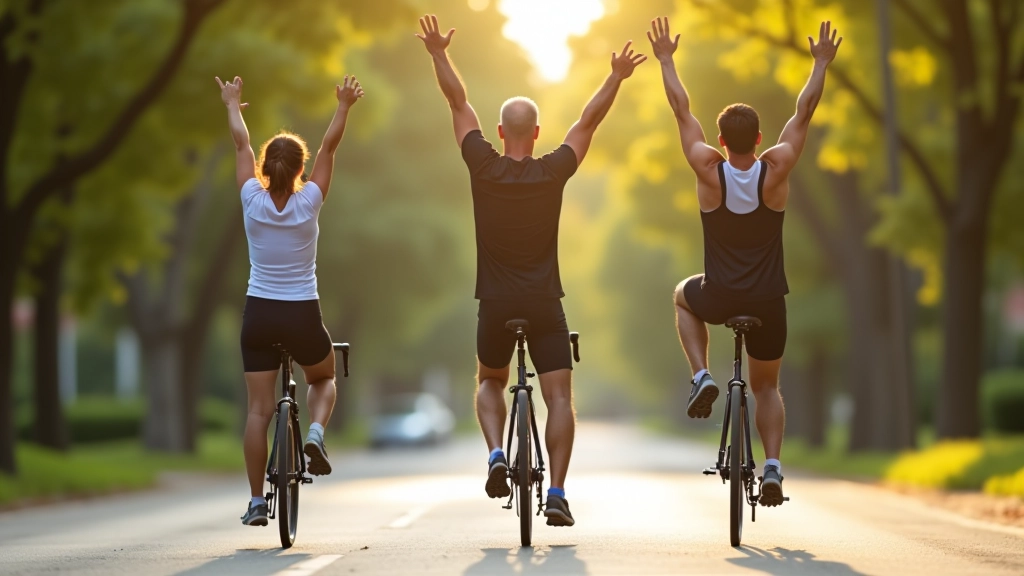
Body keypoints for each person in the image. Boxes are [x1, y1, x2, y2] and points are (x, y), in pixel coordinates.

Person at [416, 14, 645, 527]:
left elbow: (458, 103)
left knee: (489, 382)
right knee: (559, 395)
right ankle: (558, 491)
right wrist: (616, 76)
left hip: (495, 304)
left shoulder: (482, 163)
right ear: (537, 133)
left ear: (499, 132)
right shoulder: (553, 171)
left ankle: (497, 454)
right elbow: (587, 123)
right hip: (544, 304)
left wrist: (438, 53)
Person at [648, 16, 841, 507]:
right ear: (759, 140)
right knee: (767, 386)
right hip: (768, 300)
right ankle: (773, 467)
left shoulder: (706, 169)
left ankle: (702, 375)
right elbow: (805, 111)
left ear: (721, 138)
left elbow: (680, 108)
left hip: (719, 294)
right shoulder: (775, 172)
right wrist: (820, 63)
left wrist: (667, 60)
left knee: (681, 295)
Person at [216, 73, 365, 526]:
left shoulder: (250, 199)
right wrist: (343, 106)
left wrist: (231, 104)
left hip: (259, 314)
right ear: (300, 170)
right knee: (324, 378)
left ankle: (258, 502)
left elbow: (241, 145)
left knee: (259, 411)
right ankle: (315, 433)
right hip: (301, 314)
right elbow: (329, 148)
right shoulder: (310, 202)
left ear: (266, 168)